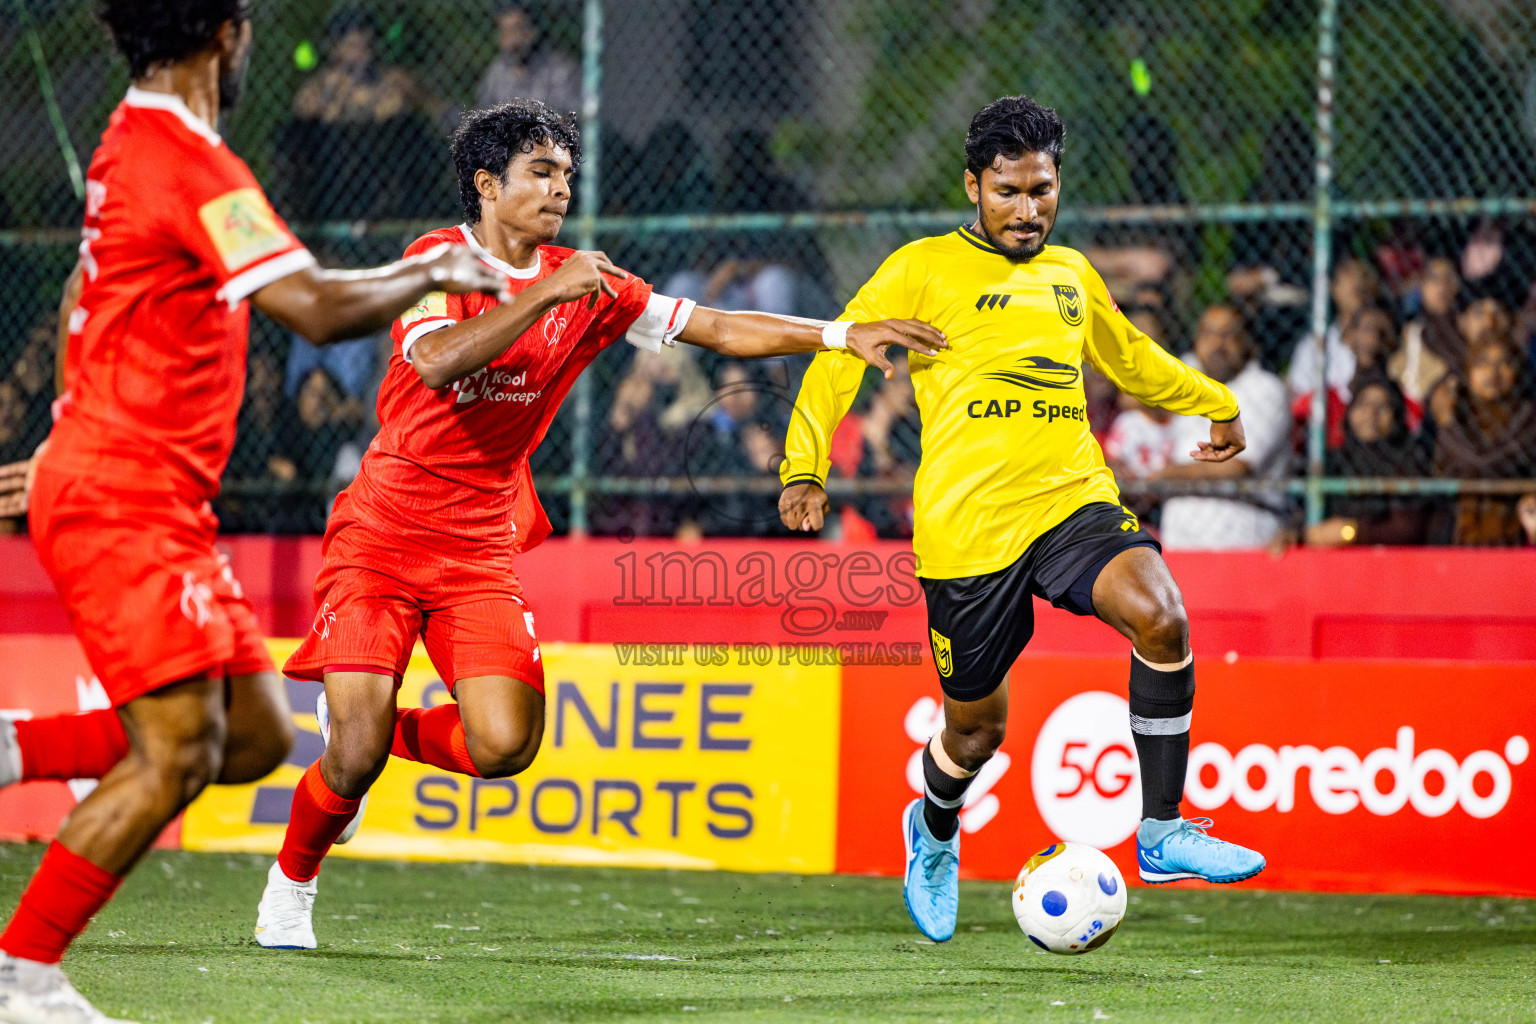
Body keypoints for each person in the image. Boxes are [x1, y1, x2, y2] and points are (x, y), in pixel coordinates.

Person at [247, 99, 946, 950]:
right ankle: (292, 886)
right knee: (346, 761)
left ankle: (376, 730)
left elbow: (716, 326)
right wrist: (545, 290)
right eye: (541, 172)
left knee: (504, 745)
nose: (560, 188)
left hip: (478, 547)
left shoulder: (591, 285)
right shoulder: (439, 260)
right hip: (382, 533)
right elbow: (432, 363)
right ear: (486, 185)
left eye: (566, 174)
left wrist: (839, 334)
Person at [0, 2, 513, 1019]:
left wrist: (68, 418)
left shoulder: (127, 136)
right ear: (227, 36)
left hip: (143, 488)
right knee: (182, 748)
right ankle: (24, 973)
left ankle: (17, 748)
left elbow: (81, 289)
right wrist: (437, 267)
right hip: (125, 494)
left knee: (248, 735)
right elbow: (316, 307)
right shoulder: (190, 164)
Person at [777, 96, 1265, 945]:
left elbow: (1133, 359)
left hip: (1071, 500)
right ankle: (932, 827)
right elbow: (839, 353)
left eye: (1042, 189)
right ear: (973, 185)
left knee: (1162, 614)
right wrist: (805, 465)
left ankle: (1160, 829)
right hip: (967, 532)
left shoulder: (1071, 275)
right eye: (1007, 191)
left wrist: (1215, 402)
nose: (1028, 208)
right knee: (974, 731)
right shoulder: (922, 268)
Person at [1155, 305, 1291, 550]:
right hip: (1178, 540)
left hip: (1240, 536)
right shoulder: (1187, 384)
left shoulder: (1264, 389)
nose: (1217, 343)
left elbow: (1235, 464)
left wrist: (1165, 474)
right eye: (1208, 334)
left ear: (1248, 344)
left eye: (1229, 335)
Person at [1305, 374, 1432, 547]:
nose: (1370, 412)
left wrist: (1351, 532)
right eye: (1363, 404)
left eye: (1382, 406)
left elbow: (1407, 529)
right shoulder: (1335, 461)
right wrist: (1294, 534)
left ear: (1395, 416)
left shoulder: (1408, 462)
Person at [1432, 335, 1536, 545]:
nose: (1492, 373)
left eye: (1503, 364)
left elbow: (1482, 462)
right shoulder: (1460, 414)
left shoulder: (1528, 417)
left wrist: (1449, 426)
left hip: (1515, 529)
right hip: (1459, 530)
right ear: (1468, 371)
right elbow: (1441, 471)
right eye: (1482, 363)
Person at [475, 1, 580, 115]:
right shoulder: (497, 73)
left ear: (532, 31)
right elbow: (482, 116)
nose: (512, 41)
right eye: (505, 32)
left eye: (517, 30)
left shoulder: (560, 69)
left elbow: (571, 118)